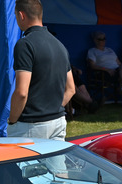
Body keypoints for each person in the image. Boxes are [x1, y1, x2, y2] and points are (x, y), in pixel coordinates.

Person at [7, 0, 75, 142]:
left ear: (21, 15)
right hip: (57, 120)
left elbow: (21, 92)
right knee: (56, 165)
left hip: (30, 125)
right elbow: (71, 89)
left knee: (24, 164)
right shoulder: (60, 45)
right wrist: (52, 110)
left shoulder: (25, 44)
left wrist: (12, 121)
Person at [87, 30, 122, 109]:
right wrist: (107, 70)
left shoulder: (109, 50)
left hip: (116, 70)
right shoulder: (92, 51)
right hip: (104, 72)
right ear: (95, 40)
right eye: (100, 39)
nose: (103, 41)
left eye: (104, 39)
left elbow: (119, 63)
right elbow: (92, 66)